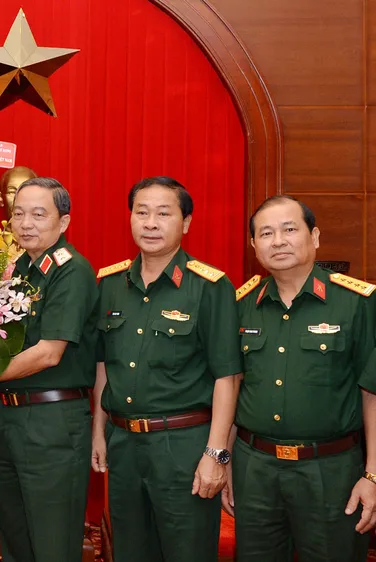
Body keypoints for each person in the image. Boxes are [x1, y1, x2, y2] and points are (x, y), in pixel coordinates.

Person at [0, 177, 99, 562]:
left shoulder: (70, 270)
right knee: (15, 539)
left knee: (51, 542)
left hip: (51, 421)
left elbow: (48, 354)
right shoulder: (21, 269)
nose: (26, 223)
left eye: (39, 215)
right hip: (9, 416)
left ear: (63, 221)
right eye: (19, 214)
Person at [91, 176, 241, 562]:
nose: (151, 223)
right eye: (141, 213)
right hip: (124, 444)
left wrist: (216, 454)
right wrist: (98, 432)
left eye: (163, 213)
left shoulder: (209, 286)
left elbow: (228, 376)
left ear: (186, 222)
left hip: (184, 446)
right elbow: (104, 365)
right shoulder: (110, 284)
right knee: (129, 551)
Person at [228, 195, 376, 561]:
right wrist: (226, 460)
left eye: (289, 229)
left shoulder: (357, 303)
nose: (278, 241)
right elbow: (232, 386)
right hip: (254, 468)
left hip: (331, 471)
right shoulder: (241, 305)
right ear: (254, 245)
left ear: (315, 236)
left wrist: (373, 475)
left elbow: (372, 393)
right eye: (266, 233)